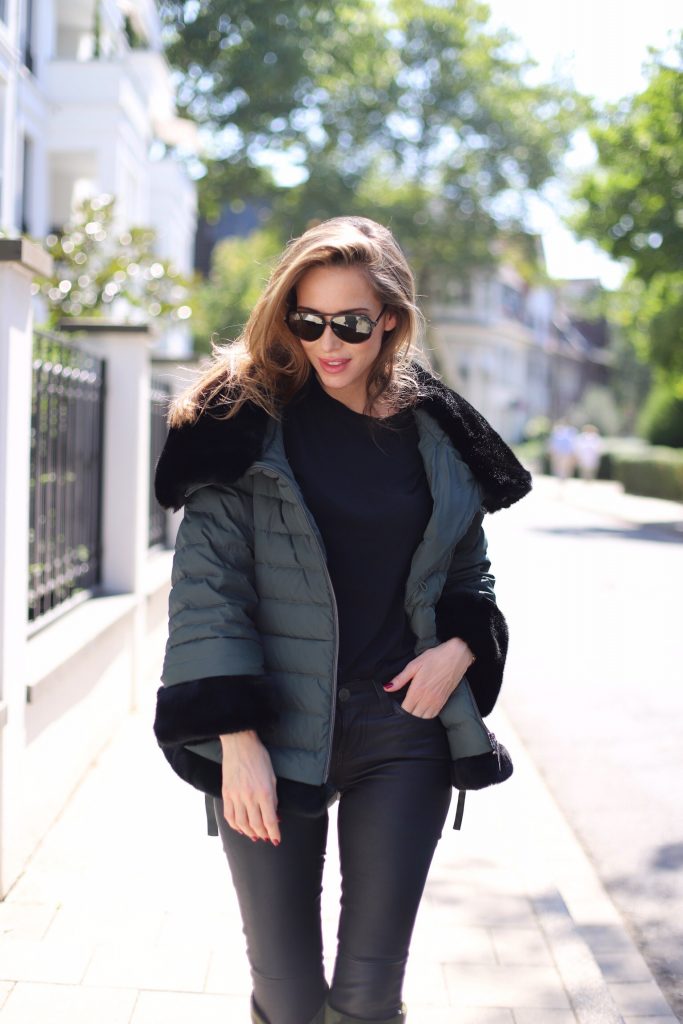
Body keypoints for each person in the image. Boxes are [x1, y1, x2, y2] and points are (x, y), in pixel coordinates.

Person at [153, 216, 532, 1024]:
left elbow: (470, 570)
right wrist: (234, 738)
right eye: (308, 319)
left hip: (403, 728)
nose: (329, 342)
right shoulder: (239, 421)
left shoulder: (435, 433)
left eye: (351, 323)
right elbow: (207, 584)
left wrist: (460, 649)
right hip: (272, 729)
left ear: (390, 318)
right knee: (288, 999)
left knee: (367, 998)